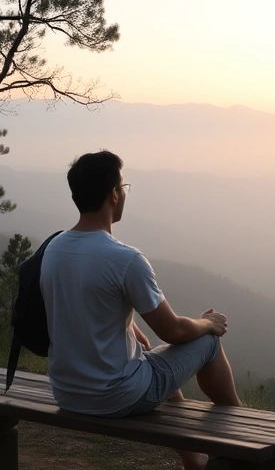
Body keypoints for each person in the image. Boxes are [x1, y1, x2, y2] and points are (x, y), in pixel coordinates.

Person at [41, 150, 241, 470]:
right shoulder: (125, 259)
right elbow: (173, 330)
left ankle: (194, 462)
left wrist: (128, 325)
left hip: (67, 392)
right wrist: (207, 324)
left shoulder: (53, 248)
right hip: (115, 396)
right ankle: (245, 442)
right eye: (123, 188)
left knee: (156, 362)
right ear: (113, 195)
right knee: (207, 344)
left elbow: (80, 307)